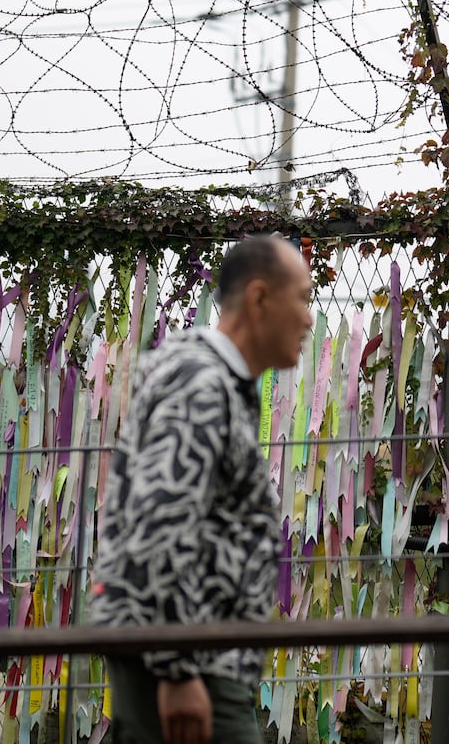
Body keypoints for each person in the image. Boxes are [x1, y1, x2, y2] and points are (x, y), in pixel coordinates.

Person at [91, 234, 314, 744]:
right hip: (185, 658)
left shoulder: (214, 381)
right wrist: (176, 669)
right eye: (301, 298)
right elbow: (159, 522)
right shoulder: (200, 384)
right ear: (259, 298)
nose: (308, 318)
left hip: (189, 652)